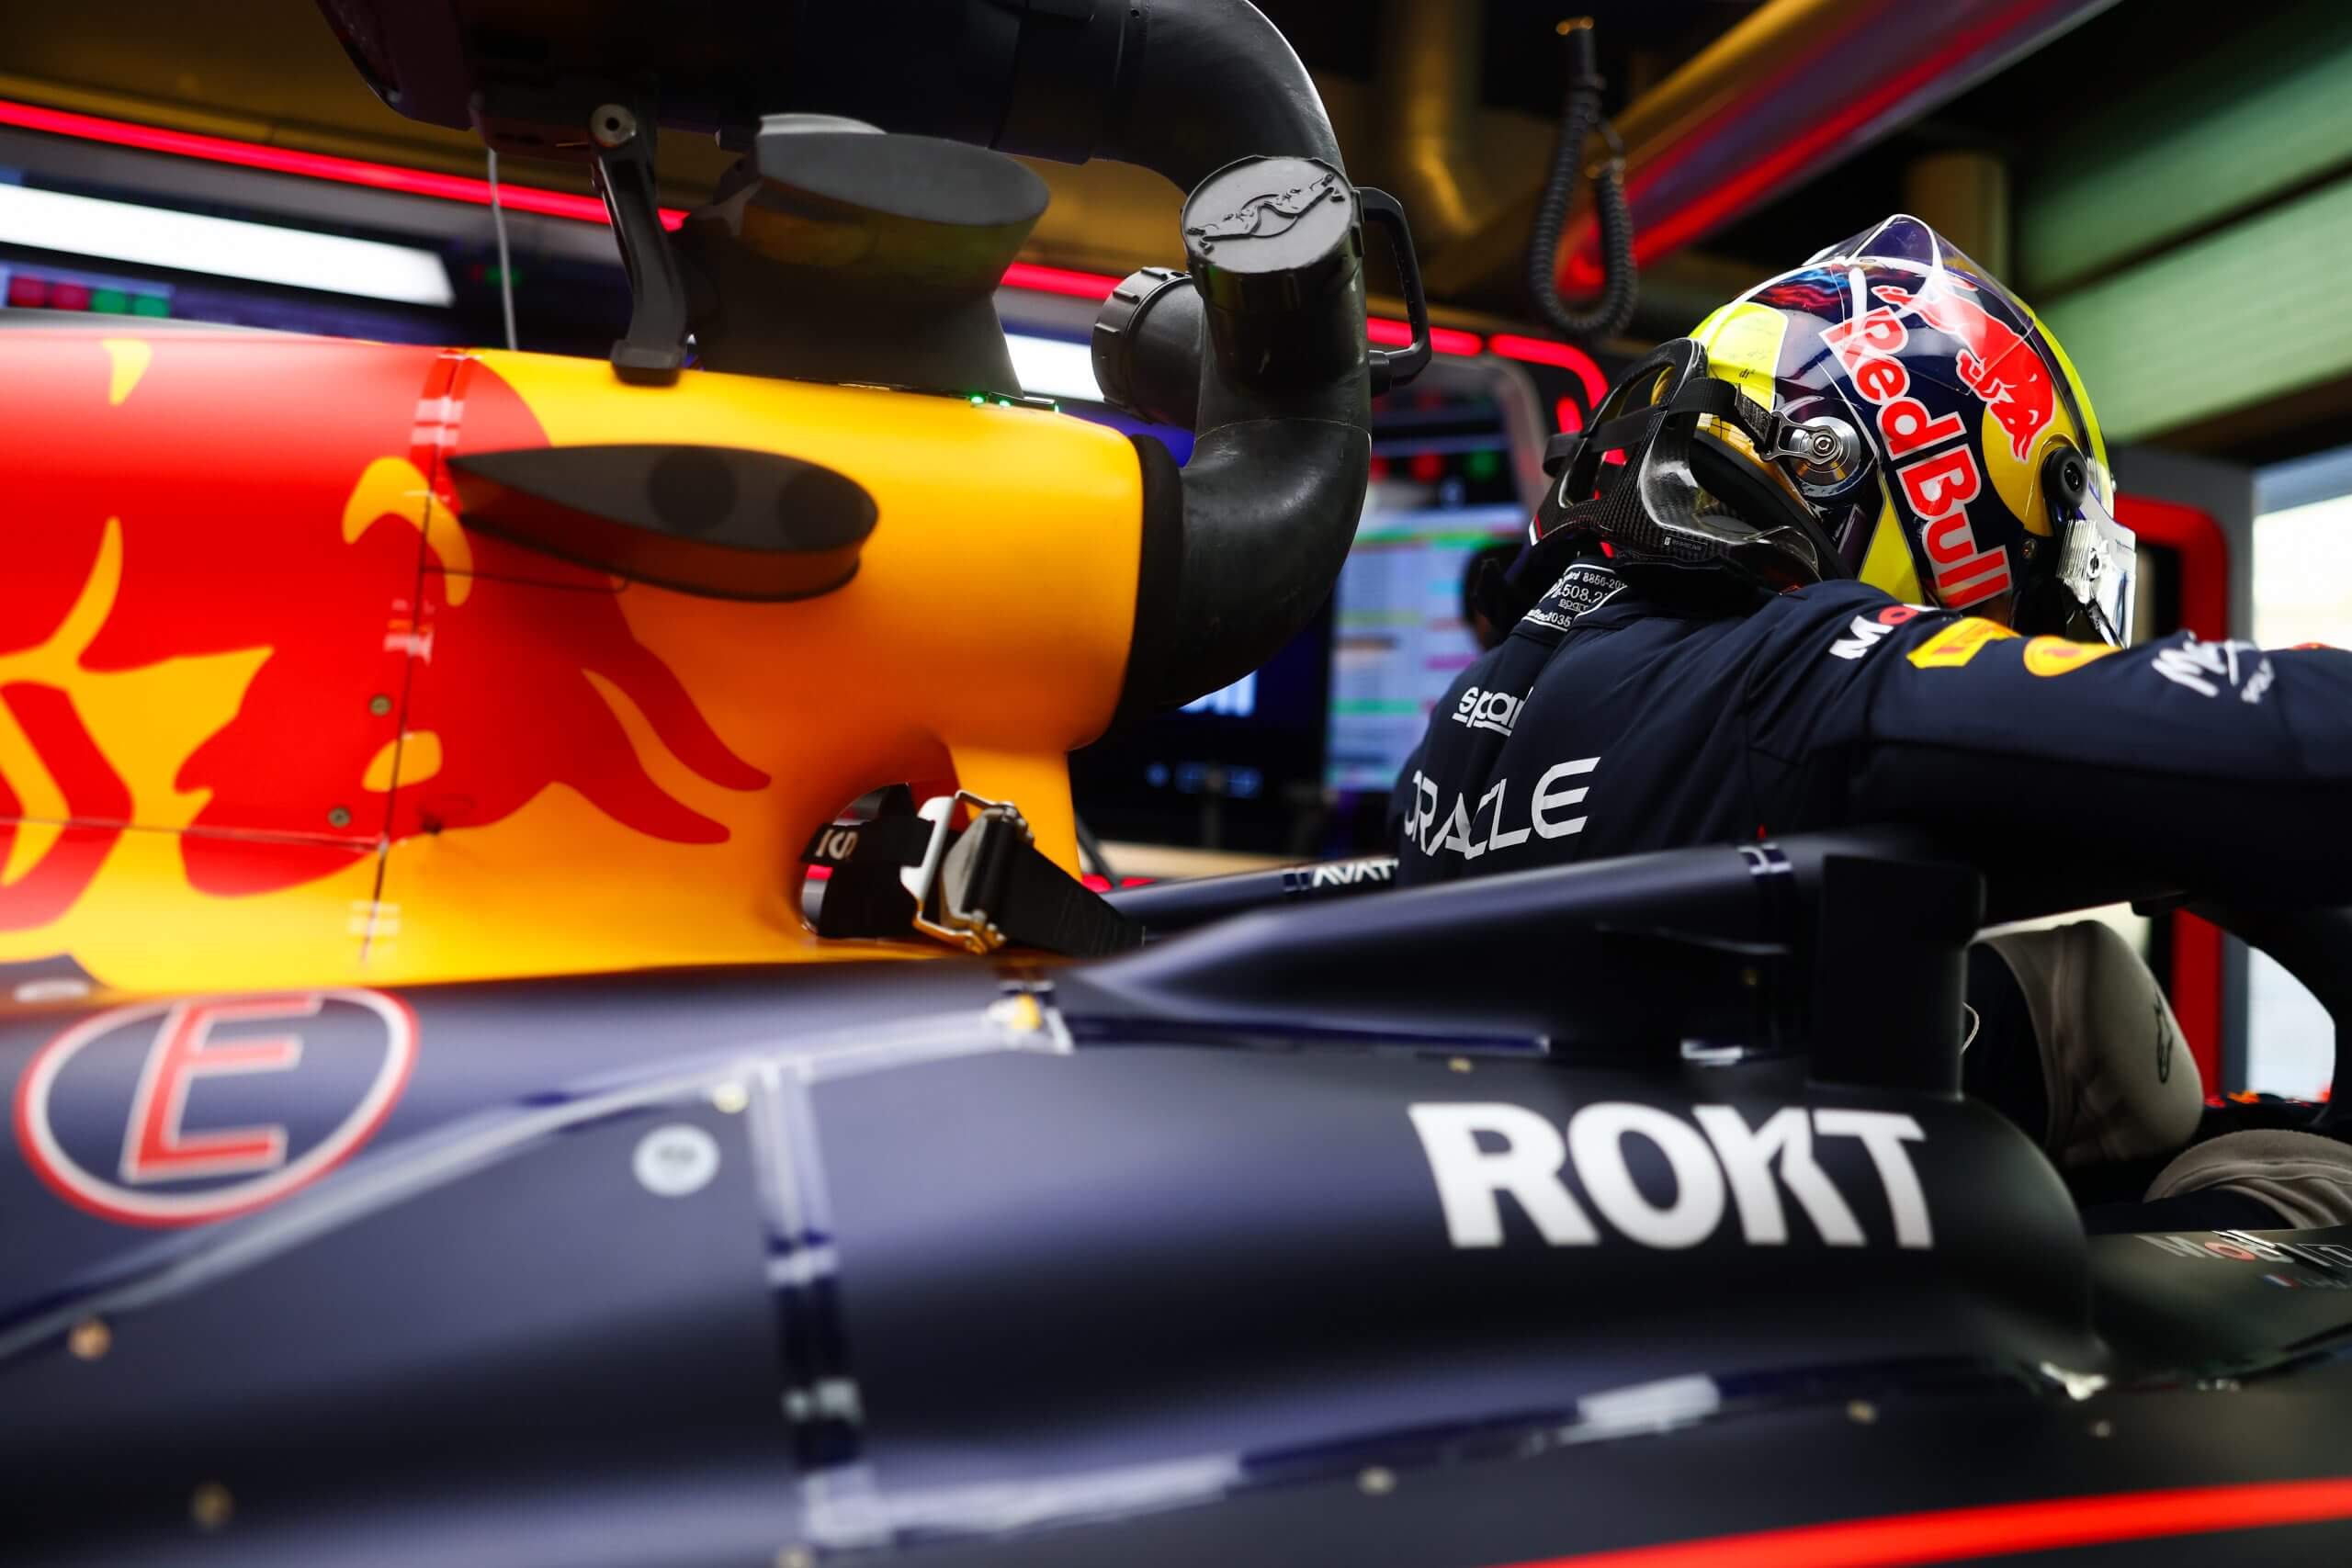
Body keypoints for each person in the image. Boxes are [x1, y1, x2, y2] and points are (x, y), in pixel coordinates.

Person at [1394, 215, 2352, 1231]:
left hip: (1606, 1231)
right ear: (1923, 488)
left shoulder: (1481, 709)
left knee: (2066, 1019)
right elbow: (2300, 737)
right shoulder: (1783, 679)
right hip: (1742, 1288)